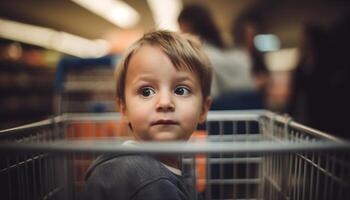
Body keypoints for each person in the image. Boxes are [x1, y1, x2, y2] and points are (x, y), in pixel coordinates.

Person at [79, 30, 212, 200]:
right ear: (124, 108)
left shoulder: (153, 171)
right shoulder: (148, 182)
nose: (165, 102)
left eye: (181, 90)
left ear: (203, 109)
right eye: (146, 91)